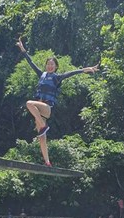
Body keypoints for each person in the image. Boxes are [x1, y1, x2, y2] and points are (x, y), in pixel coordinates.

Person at [16, 37, 99, 166]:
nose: (49, 66)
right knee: (42, 138)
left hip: (47, 108)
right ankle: (47, 161)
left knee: (29, 103)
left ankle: (44, 126)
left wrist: (85, 69)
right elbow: (31, 63)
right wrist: (23, 50)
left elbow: (71, 73)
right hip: (39, 111)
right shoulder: (41, 74)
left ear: (55, 67)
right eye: (48, 64)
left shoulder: (57, 78)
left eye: (52, 64)